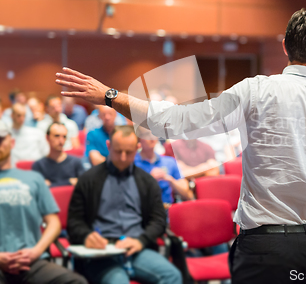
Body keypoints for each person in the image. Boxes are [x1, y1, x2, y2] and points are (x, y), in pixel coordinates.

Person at [56, 6, 306, 284]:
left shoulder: (256, 91)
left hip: (262, 249)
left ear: (286, 46)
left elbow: (175, 122)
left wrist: (111, 97)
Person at [67, 125, 181, 284]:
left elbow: (158, 220)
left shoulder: (147, 182)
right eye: (117, 151)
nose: (122, 158)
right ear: (108, 146)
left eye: (128, 153)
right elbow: (74, 221)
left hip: (136, 248)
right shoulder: (88, 179)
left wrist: (141, 240)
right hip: (102, 252)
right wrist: (86, 236)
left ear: (138, 148)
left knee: (172, 276)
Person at [0, 121, 87, 284]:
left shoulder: (33, 178)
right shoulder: (39, 167)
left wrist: (35, 252)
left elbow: (53, 222)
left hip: (32, 261)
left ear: (11, 143)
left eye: (1, 140)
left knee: (77, 282)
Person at [135, 129, 193, 206]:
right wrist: (150, 180)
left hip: (169, 210)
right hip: (145, 210)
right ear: (139, 139)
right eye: (146, 134)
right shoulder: (133, 163)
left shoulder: (169, 161)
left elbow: (188, 195)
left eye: (153, 133)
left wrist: (170, 180)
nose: (151, 137)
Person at [32, 122, 85, 187]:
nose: (61, 140)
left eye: (64, 137)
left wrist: (50, 185)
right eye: (57, 136)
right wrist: (69, 182)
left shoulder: (76, 162)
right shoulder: (39, 165)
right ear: (47, 138)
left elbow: (84, 185)